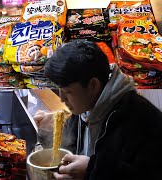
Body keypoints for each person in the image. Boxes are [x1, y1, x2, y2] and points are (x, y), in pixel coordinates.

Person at [44, 40, 162, 180]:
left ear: (93, 85)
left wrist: (92, 170)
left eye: (67, 92)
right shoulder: (84, 106)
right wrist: (47, 131)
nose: (62, 99)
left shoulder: (143, 121)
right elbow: (70, 144)